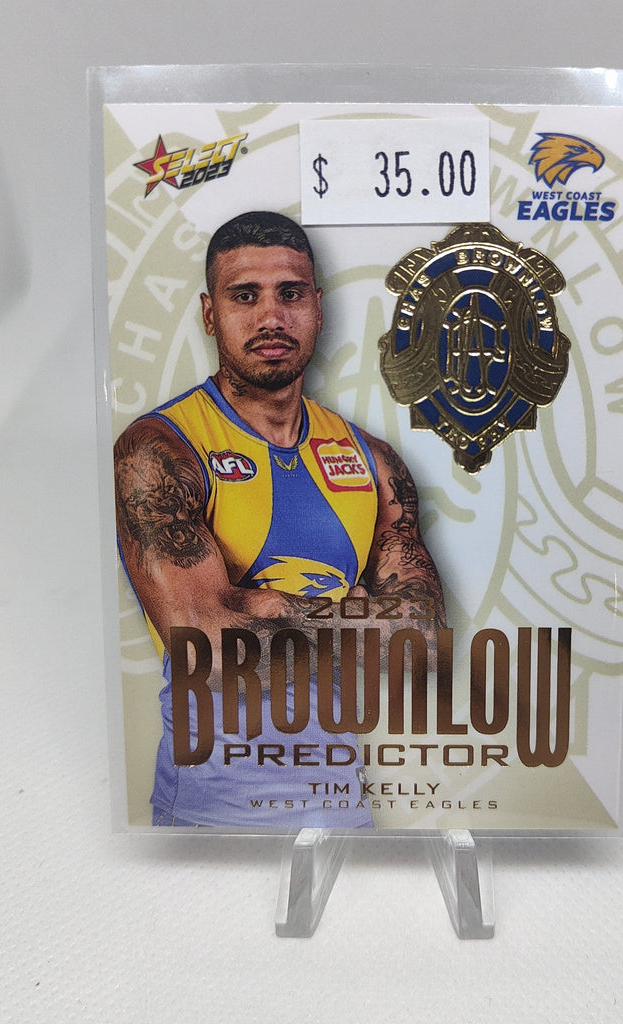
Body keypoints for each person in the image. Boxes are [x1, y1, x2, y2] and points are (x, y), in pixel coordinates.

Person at [114, 211, 446, 828]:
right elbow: (206, 649)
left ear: (317, 307)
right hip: (211, 819)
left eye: (290, 294)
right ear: (210, 313)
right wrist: (357, 618)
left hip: (345, 814)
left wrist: (262, 605)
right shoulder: (160, 450)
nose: (271, 317)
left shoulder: (373, 462)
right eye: (245, 296)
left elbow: (422, 643)